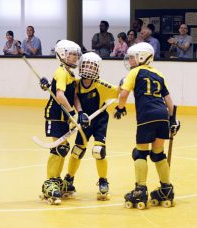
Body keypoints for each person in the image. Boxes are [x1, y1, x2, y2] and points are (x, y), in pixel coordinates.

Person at [113, 42, 180, 209]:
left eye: (132, 57)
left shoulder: (134, 72)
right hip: (163, 115)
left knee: (140, 153)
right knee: (158, 154)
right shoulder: (159, 74)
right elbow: (170, 104)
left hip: (146, 116)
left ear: (141, 57)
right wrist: (173, 121)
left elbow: (123, 94)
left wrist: (120, 108)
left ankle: (140, 190)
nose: (130, 61)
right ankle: (166, 188)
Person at [62, 52, 120, 200]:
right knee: (77, 151)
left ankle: (103, 181)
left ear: (97, 69)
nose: (88, 69)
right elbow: (71, 95)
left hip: (99, 121)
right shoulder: (76, 83)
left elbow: (119, 91)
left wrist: (124, 83)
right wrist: (80, 112)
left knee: (98, 150)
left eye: (92, 66)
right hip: (84, 121)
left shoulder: (101, 86)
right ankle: (69, 180)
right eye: (86, 65)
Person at [39, 40, 82, 205]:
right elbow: (60, 96)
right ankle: (49, 182)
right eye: (71, 54)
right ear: (63, 54)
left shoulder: (70, 73)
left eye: (75, 54)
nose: (75, 57)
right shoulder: (61, 72)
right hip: (55, 115)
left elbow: (74, 96)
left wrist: (79, 113)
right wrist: (72, 113)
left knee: (63, 148)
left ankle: (56, 179)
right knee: (58, 148)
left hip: (65, 116)